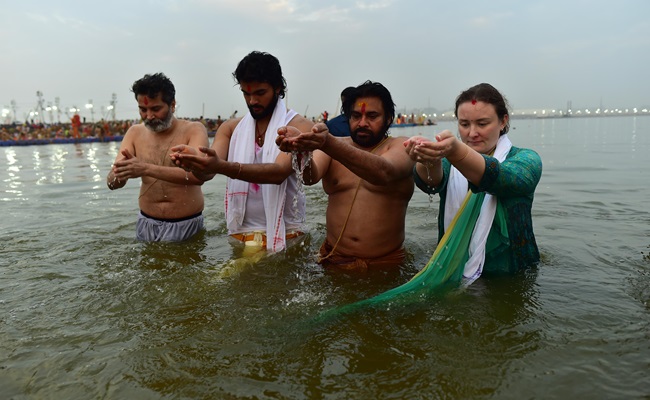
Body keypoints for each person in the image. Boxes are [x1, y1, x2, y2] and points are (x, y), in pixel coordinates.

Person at [170, 51, 314, 252]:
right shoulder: (230, 129)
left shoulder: (299, 126)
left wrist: (221, 166)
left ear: (278, 88)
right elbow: (209, 171)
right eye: (246, 94)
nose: (252, 100)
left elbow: (278, 173)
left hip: (287, 234)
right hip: (240, 234)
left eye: (260, 93)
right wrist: (194, 162)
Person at [404, 83, 542, 282]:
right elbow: (431, 183)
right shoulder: (450, 163)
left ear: (503, 121)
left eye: (482, 123)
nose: (472, 133)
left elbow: (501, 177)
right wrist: (428, 159)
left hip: (513, 275)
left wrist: (456, 151)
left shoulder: (526, 160)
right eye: (465, 124)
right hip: (451, 269)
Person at [276, 81, 415, 271]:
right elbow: (310, 177)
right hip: (333, 257)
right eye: (356, 116)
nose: (363, 123)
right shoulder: (335, 144)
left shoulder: (402, 146)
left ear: (389, 118)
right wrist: (300, 150)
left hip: (385, 264)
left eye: (372, 116)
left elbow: (384, 172)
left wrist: (328, 144)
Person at [107, 72, 209, 242]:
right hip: (146, 223)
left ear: (173, 105)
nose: (149, 116)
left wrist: (145, 168)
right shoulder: (134, 133)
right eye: (143, 109)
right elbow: (112, 183)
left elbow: (198, 176)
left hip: (186, 223)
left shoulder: (193, 130)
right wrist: (120, 173)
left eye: (156, 109)